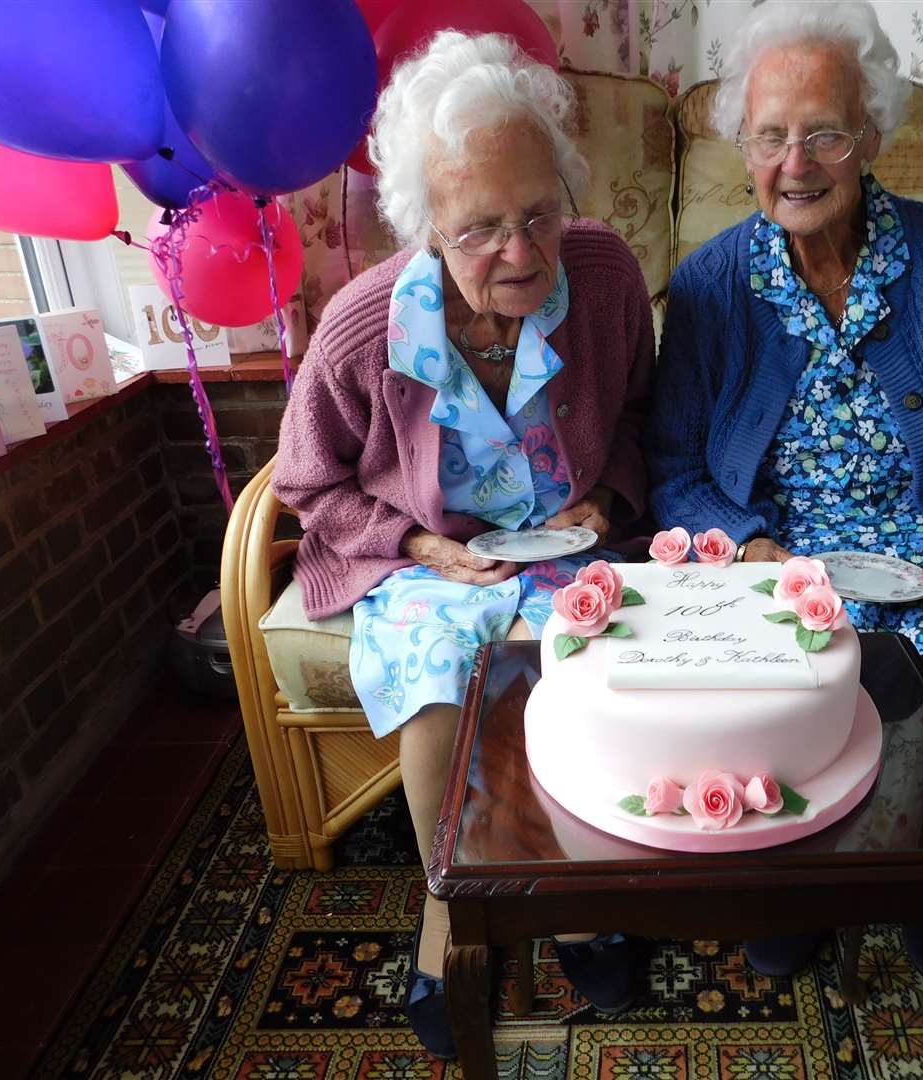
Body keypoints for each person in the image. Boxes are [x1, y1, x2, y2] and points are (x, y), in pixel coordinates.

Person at [644, 2, 923, 981]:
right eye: (769, 135)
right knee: (769, 691)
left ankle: (919, 883)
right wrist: (749, 547)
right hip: (770, 549)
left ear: (872, 136)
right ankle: (791, 895)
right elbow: (671, 466)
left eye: (823, 132)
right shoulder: (712, 283)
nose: (793, 161)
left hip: (913, 545)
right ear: (743, 149)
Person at [273, 31, 654, 1058]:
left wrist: (607, 501)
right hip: (431, 560)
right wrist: (416, 544)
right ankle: (447, 907)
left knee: (583, 665)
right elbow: (310, 485)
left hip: (570, 552)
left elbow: (639, 420)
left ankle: (572, 895)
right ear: (427, 224)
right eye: (481, 227)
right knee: (445, 684)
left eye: (539, 214)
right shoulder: (362, 329)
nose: (521, 252)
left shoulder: (608, 281)